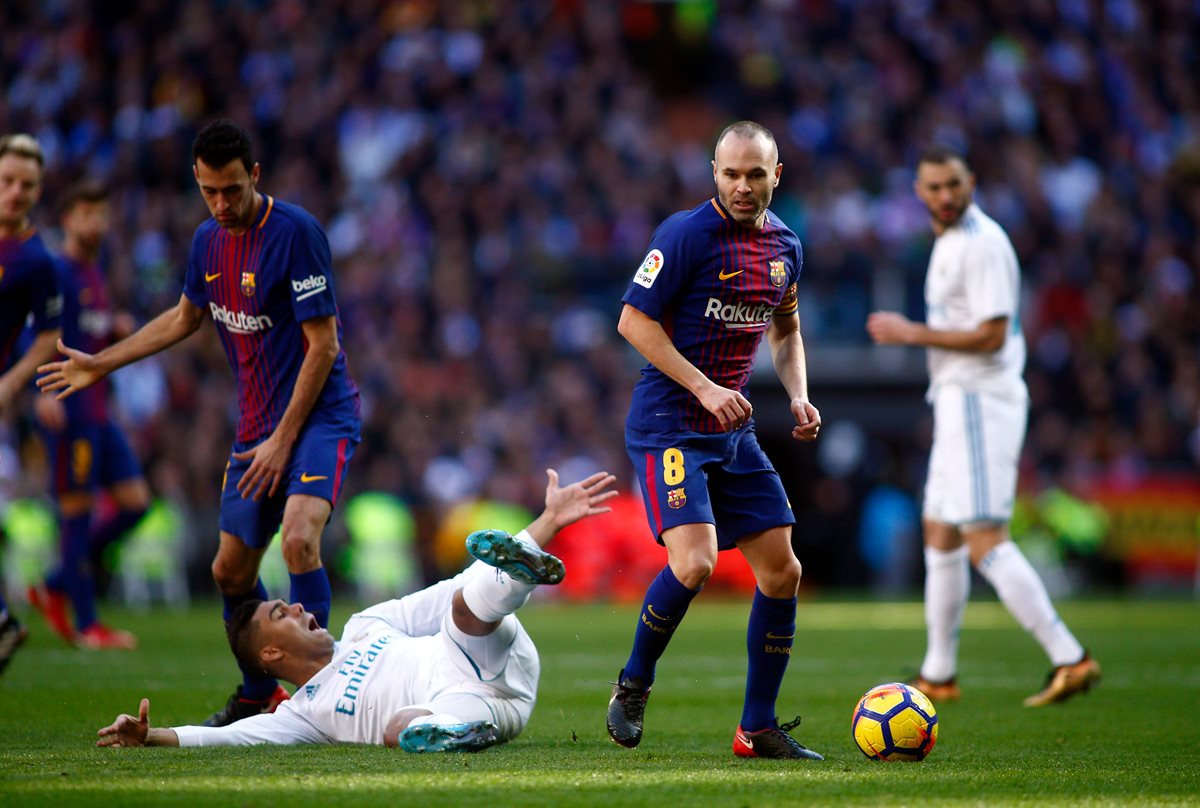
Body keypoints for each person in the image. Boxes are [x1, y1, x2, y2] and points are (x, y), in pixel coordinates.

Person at [38, 120, 362, 724]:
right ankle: (257, 692)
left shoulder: (296, 233)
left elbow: (324, 345)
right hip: (256, 428)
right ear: (196, 180)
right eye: (210, 192)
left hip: (319, 417)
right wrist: (101, 363)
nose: (222, 204)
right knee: (228, 570)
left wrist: (284, 439)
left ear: (254, 176)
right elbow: (185, 317)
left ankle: (318, 699)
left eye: (232, 190)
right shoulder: (207, 241)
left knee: (298, 539)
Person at [95, 469, 616, 751]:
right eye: (280, 613)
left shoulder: (367, 626)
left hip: (485, 653)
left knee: (461, 605)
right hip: (475, 706)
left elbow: (453, 587)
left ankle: (520, 569)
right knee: (399, 731)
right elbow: (231, 736)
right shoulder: (303, 715)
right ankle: (461, 733)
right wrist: (151, 737)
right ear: (270, 653)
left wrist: (547, 521)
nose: (297, 606)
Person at [607, 121, 823, 760]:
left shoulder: (786, 246)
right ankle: (634, 683)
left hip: (730, 430)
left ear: (775, 175)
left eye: (755, 174)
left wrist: (798, 393)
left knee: (783, 571)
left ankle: (757, 728)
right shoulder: (684, 235)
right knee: (695, 563)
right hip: (670, 423)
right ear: (714, 173)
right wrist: (704, 388)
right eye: (731, 174)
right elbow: (632, 321)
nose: (742, 186)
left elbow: (786, 330)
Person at [866, 146, 1101, 707]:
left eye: (953, 184)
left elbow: (992, 335)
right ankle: (939, 672)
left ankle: (1070, 657)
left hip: (980, 398)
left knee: (985, 539)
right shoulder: (950, 241)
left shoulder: (982, 243)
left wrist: (911, 333)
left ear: (970, 182)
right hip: (956, 399)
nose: (945, 195)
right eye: (934, 187)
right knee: (939, 530)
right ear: (919, 193)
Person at [27, 179, 150, 650]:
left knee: (135, 502)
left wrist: (113, 329)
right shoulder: (57, 271)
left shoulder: (93, 270)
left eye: (100, 214)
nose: (95, 223)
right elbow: (33, 333)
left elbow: (85, 332)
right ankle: (87, 624)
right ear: (68, 220)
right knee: (76, 514)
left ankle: (55, 583)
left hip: (98, 411)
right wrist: (40, 392)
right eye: (86, 214)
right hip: (69, 407)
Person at [0, 133, 63, 674]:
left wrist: (12, 382)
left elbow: (48, 336)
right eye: (7, 181)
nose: (16, 192)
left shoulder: (37, 262)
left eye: (27, 184)